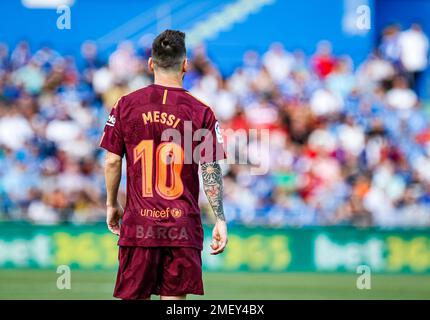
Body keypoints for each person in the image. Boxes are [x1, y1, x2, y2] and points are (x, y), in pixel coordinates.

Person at [100, 30, 228, 300]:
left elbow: (112, 161)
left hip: (139, 225)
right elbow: (210, 169)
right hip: (181, 228)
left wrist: (112, 204)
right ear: (185, 64)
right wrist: (220, 219)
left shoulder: (125, 105)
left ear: (150, 64)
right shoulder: (201, 111)